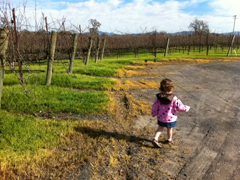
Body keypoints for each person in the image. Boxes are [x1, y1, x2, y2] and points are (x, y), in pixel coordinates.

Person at [151, 78, 190, 148]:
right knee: (169, 129)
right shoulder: (174, 98)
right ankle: (169, 139)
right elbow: (180, 107)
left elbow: (155, 107)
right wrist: (186, 108)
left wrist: (154, 113)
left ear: (161, 88)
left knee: (160, 128)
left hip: (161, 117)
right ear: (171, 88)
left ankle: (155, 138)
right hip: (170, 118)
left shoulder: (158, 98)